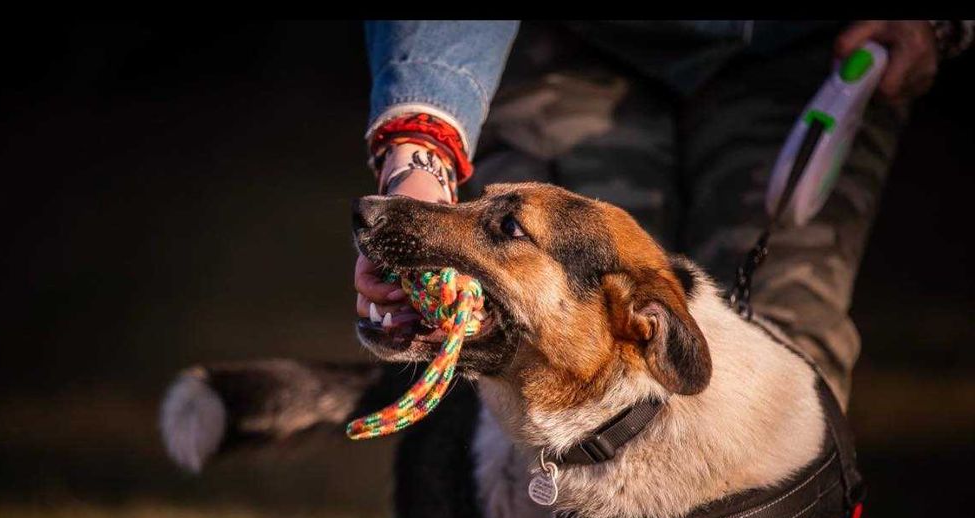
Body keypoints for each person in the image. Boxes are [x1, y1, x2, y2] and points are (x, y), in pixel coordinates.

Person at [355, 20, 972, 406]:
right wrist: (419, 154)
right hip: (576, 48)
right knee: (549, 357)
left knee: (792, 365)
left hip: (809, 52)